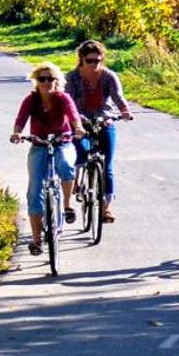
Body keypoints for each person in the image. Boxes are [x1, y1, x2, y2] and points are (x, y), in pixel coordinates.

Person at [11, 62, 85, 255]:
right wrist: (17, 133)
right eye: (41, 79)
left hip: (63, 142)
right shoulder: (31, 100)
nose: (46, 83)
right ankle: (37, 240)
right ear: (36, 81)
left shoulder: (63, 98)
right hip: (39, 145)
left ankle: (67, 206)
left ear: (57, 81)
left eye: (50, 79)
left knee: (67, 165)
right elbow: (21, 119)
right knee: (35, 191)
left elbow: (73, 115)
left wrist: (77, 128)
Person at [63, 40, 133, 221]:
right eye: (90, 60)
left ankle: (106, 208)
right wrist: (77, 119)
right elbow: (67, 102)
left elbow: (118, 96)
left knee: (107, 165)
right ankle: (77, 180)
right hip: (80, 122)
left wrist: (125, 111)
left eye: (98, 60)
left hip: (104, 121)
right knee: (80, 152)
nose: (94, 64)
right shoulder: (72, 78)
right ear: (81, 59)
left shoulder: (109, 76)